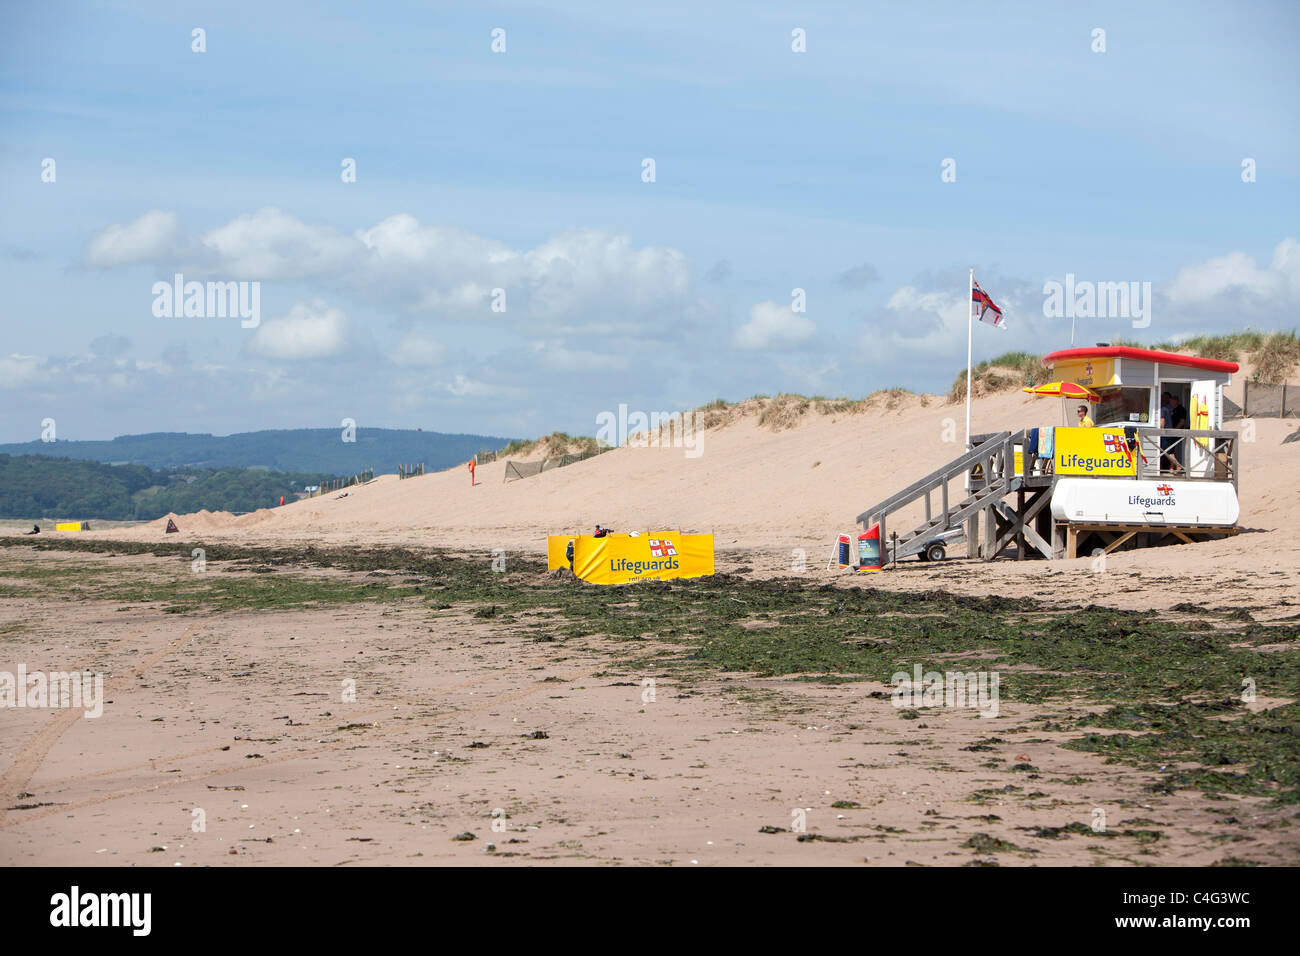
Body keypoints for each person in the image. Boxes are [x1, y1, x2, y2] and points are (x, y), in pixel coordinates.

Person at [1159, 392, 1184, 475]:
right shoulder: (1168, 409)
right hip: (1170, 433)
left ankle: (1178, 466)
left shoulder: (1163, 409)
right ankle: (1171, 468)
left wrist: (1160, 431)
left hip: (1166, 434)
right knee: (1170, 451)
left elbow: (1162, 421)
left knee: (1167, 452)